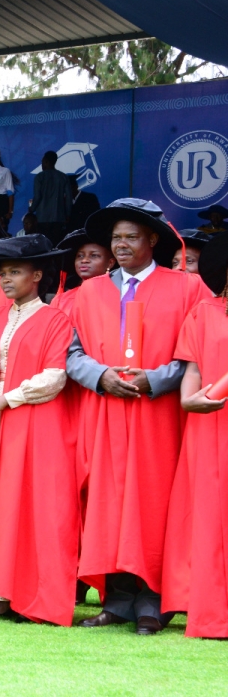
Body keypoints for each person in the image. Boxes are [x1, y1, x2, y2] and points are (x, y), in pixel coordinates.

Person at [66, 198, 209, 635]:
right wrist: (101, 375)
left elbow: (199, 353)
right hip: (105, 414)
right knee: (107, 505)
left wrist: (156, 380)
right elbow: (69, 354)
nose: (121, 244)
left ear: (152, 240)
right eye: (116, 238)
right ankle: (118, 599)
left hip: (161, 418)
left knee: (156, 505)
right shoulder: (89, 292)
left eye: (130, 236)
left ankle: (155, 601)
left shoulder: (187, 288)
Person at [0, 235, 79, 625]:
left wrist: (5, 400)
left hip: (32, 421)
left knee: (28, 505)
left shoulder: (56, 319)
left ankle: (26, 594)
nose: (5, 280)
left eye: (15, 272)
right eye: (3, 273)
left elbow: (55, 376)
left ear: (37, 275)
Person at [162, 233, 228, 638]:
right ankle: (212, 610)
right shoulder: (204, 312)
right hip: (210, 424)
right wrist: (188, 400)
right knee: (209, 514)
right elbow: (193, 371)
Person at [53, 229, 116, 312]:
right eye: (80, 256)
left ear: (110, 263)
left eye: (94, 255)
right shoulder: (61, 300)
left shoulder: (119, 297)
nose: (84, 260)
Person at [27, 151, 72, 245]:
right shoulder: (63, 177)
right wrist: (67, 214)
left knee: (44, 245)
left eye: (42, 162)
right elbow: (68, 198)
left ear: (46, 162)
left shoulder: (39, 177)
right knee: (57, 244)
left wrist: (32, 209)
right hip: (59, 218)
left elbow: (38, 196)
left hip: (42, 218)